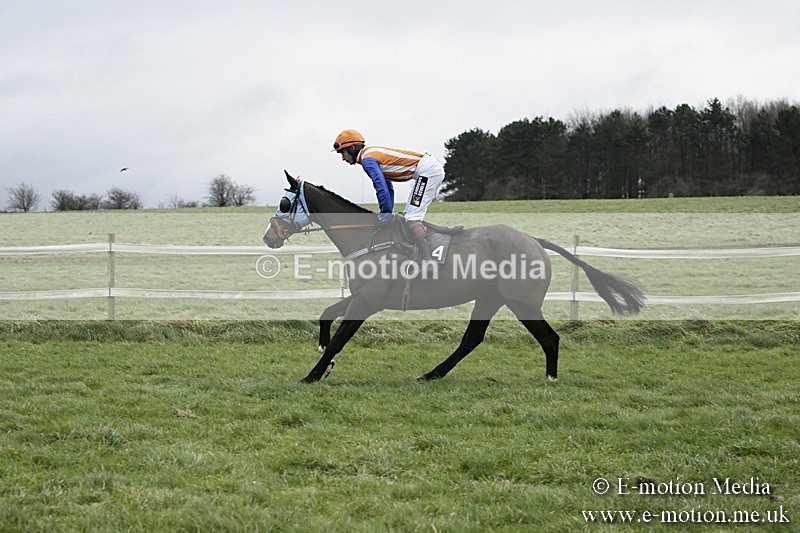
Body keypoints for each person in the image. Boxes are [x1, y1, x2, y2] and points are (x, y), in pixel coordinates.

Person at [333, 129, 444, 269]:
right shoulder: (369, 155)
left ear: (352, 148)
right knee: (407, 217)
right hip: (427, 170)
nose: (343, 158)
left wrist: (385, 212)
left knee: (412, 218)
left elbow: (380, 186)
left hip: (428, 172)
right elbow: (387, 186)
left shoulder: (368, 160)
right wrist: (387, 211)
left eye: (342, 153)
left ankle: (428, 261)